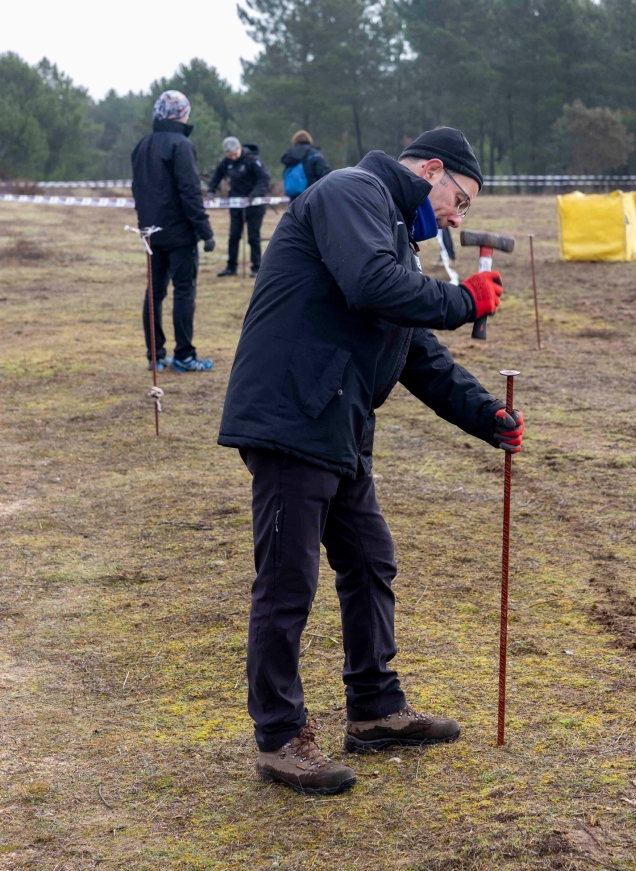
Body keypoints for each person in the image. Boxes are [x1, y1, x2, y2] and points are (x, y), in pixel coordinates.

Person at [217, 127, 524, 795]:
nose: (457, 216)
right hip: (292, 413)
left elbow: (416, 353)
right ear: (433, 170)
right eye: (460, 199)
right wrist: (464, 301)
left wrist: (486, 416)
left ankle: (376, 707)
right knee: (287, 581)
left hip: (338, 421)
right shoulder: (353, 192)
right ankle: (279, 737)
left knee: (368, 558)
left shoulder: (391, 234)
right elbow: (369, 286)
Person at [131, 90, 216, 373]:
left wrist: (144, 222)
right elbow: (190, 191)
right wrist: (205, 230)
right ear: (181, 114)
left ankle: (154, 355)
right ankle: (184, 355)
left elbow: (138, 190)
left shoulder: (142, 145)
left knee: (153, 293)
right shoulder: (181, 145)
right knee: (183, 292)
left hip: (150, 233)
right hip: (179, 234)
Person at [207, 137, 272, 278]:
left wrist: (255, 194)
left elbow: (265, 178)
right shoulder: (227, 162)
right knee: (234, 236)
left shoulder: (253, 160)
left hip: (255, 205)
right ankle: (231, 267)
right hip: (235, 204)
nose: (232, 157)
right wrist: (211, 189)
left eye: (234, 154)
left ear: (239, 148)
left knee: (253, 237)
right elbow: (217, 175)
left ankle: (256, 267)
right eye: (229, 155)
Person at [280, 129, 330, 197]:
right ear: (309, 140)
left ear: (295, 141)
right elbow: (324, 173)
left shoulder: (290, 155)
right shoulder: (315, 154)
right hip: (312, 194)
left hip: (295, 196)